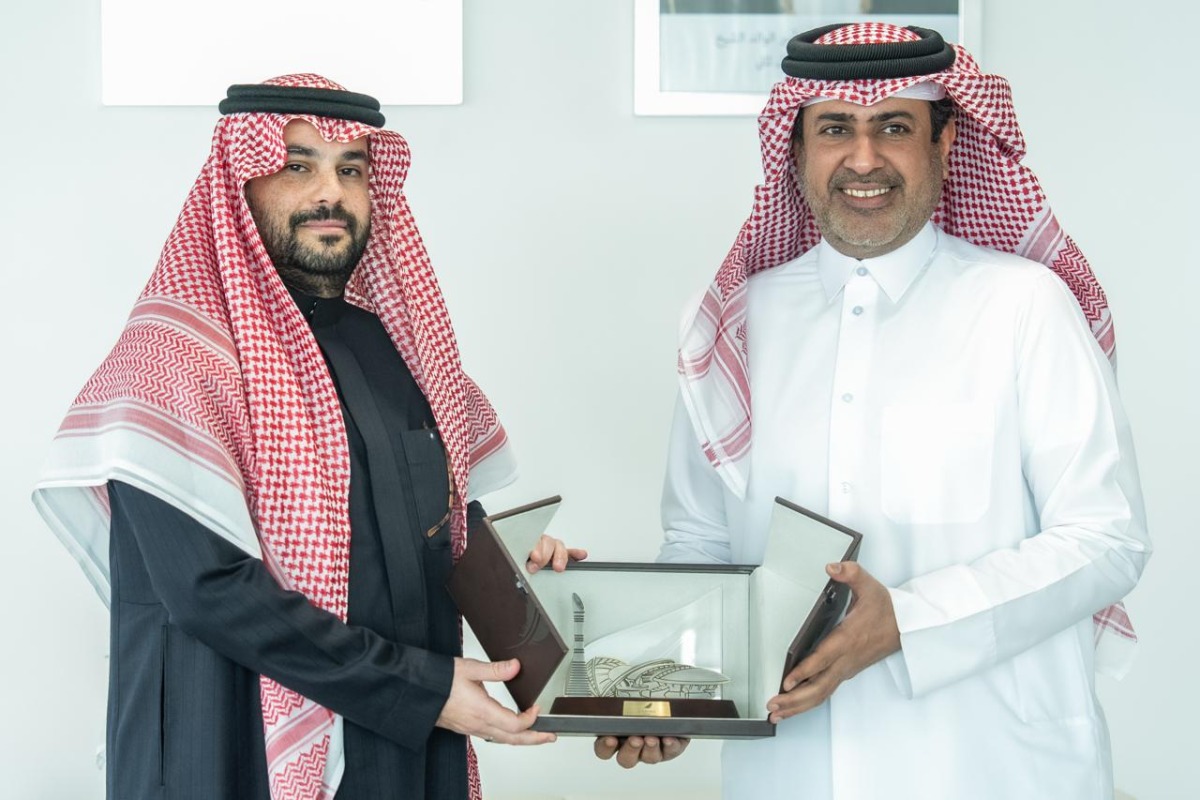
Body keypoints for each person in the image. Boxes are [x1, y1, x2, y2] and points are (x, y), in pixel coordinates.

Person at [595, 23, 1150, 799]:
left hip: (994, 767)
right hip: (790, 771)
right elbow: (701, 541)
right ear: (795, 149)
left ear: (946, 142)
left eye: (894, 127)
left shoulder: (1024, 307)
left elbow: (1106, 538)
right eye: (835, 130)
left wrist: (908, 621)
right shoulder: (734, 322)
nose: (863, 159)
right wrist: (658, 686)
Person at [33, 74, 583, 800]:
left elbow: (431, 526)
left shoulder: (399, 352)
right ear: (239, 184)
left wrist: (508, 570)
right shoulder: (171, 362)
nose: (331, 192)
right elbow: (210, 592)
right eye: (298, 165)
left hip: (399, 751)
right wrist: (423, 690)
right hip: (229, 750)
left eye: (351, 168)